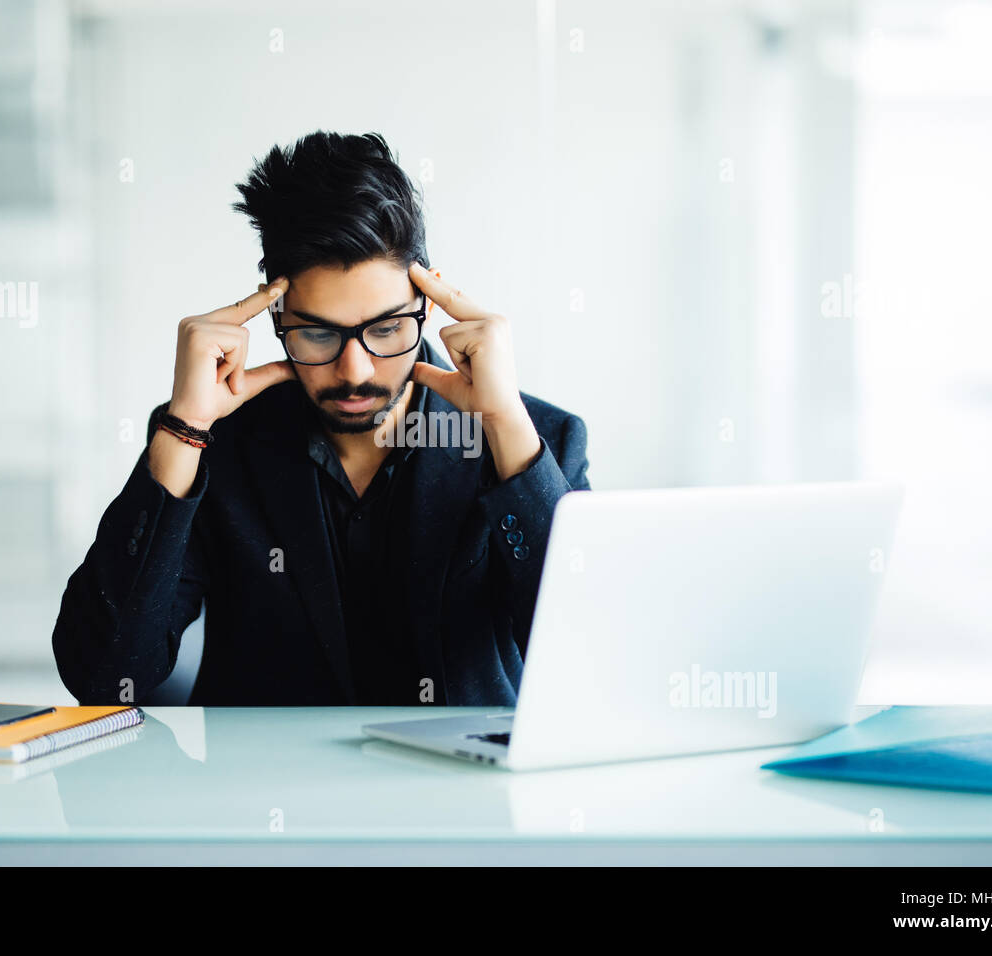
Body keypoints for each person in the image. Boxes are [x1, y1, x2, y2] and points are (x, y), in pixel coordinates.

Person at [52, 131, 590, 706]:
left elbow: (584, 663)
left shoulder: (537, 439)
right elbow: (103, 675)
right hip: (268, 793)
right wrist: (183, 429)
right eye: (316, 333)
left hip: (461, 792)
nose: (354, 370)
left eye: (385, 329)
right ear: (274, 316)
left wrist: (505, 427)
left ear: (428, 309)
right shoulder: (213, 441)